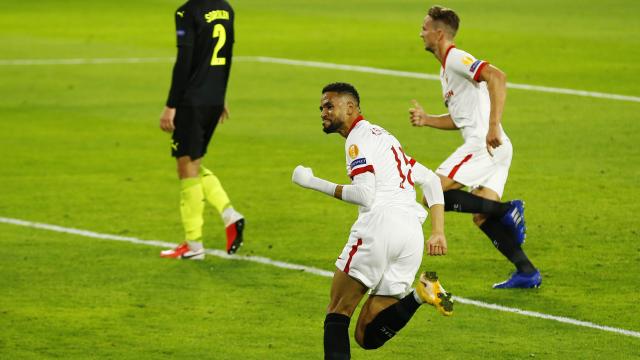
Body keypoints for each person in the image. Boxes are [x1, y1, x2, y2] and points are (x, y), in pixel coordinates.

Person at [292, 82, 453, 359]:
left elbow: (365, 195)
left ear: (351, 107)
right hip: (410, 235)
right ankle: (421, 293)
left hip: (380, 228)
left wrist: (311, 182)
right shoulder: (386, 138)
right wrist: (437, 231)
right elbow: (430, 181)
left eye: (329, 106)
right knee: (367, 335)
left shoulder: (357, 140)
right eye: (321, 108)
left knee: (337, 311)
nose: (323, 112)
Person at [408, 5, 541, 288]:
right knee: (482, 215)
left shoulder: (456, 58)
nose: (421, 34)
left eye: (425, 28)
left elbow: (497, 77)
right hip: (497, 147)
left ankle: (506, 210)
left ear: (439, 33)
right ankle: (527, 272)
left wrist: (493, 125)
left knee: (432, 190)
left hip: (485, 143)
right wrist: (428, 119)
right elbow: (461, 119)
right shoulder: (445, 71)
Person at [159, 0, 244, 260]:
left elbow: (184, 61)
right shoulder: (226, 9)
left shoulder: (187, 11)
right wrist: (219, 96)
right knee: (193, 163)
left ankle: (194, 245)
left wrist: (171, 105)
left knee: (186, 167)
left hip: (191, 101)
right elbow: (226, 56)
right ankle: (229, 218)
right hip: (212, 99)